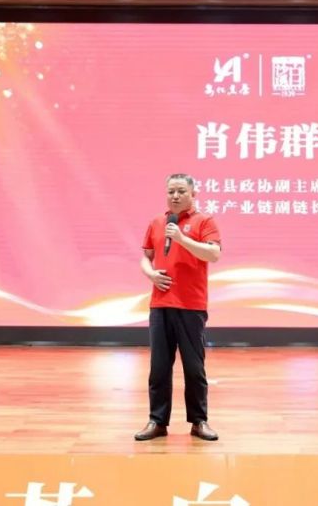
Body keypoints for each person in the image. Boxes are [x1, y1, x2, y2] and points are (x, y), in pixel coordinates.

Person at [134, 173, 222, 441]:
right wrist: (150, 274)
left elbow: (213, 254)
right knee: (159, 367)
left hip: (191, 305)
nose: (175, 196)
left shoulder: (204, 221)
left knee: (194, 368)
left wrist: (182, 239)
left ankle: (199, 421)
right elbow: (146, 257)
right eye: (171, 191)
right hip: (160, 304)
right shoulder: (157, 222)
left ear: (193, 193)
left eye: (181, 191)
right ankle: (157, 421)